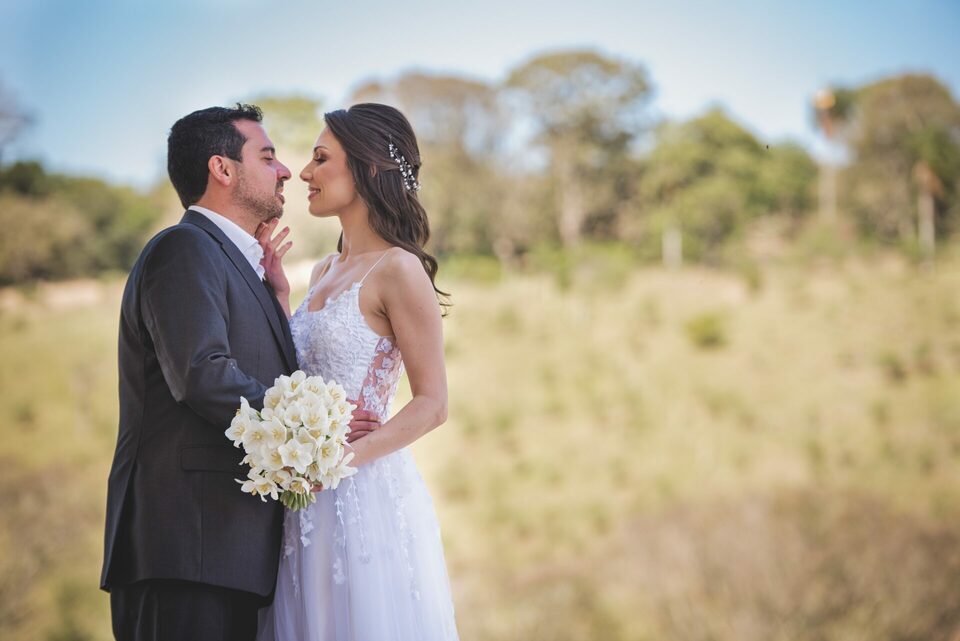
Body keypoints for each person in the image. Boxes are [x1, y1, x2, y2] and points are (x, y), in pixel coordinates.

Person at [100, 104, 380, 641]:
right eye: (268, 156)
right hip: (185, 550)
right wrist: (316, 433)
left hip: (227, 557)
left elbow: (258, 366)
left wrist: (278, 302)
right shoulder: (184, 248)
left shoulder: (232, 263)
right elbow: (202, 374)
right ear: (222, 170)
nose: (284, 171)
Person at [255, 103, 460, 640]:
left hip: (359, 494)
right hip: (301, 501)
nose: (304, 173)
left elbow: (433, 403)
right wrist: (280, 297)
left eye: (321, 159)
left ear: (368, 170)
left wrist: (341, 458)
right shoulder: (324, 268)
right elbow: (299, 369)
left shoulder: (399, 270)